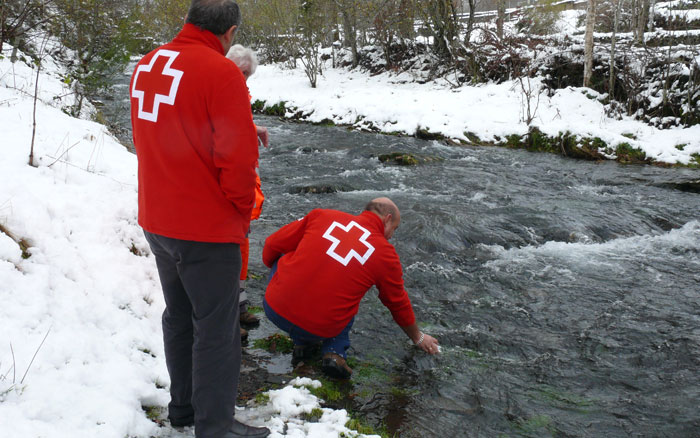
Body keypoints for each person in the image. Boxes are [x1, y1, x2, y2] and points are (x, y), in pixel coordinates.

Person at [129, 1, 269, 437]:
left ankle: (184, 409)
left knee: (179, 315)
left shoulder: (149, 64)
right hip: (205, 228)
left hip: (158, 217)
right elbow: (237, 159)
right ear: (229, 32)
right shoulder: (222, 71)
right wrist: (241, 210)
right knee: (217, 329)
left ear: (188, 21)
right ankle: (215, 427)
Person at [262, 197, 439, 379]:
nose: (392, 235)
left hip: (273, 310)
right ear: (387, 219)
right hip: (321, 327)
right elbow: (397, 303)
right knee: (348, 289)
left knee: (285, 251)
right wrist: (417, 337)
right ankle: (334, 352)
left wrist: (278, 274)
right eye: (394, 228)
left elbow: (271, 244)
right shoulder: (385, 254)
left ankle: (303, 344)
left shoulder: (322, 216)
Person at [225, 45, 268, 337]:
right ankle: (228, 319)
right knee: (228, 249)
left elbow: (235, 125)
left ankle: (239, 309)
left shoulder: (237, 90)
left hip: (245, 178)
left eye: (248, 76)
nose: (245, 80)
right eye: (243, 74)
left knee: (242, 245)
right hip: (231, 183)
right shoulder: (220, 88)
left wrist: (253, 128)